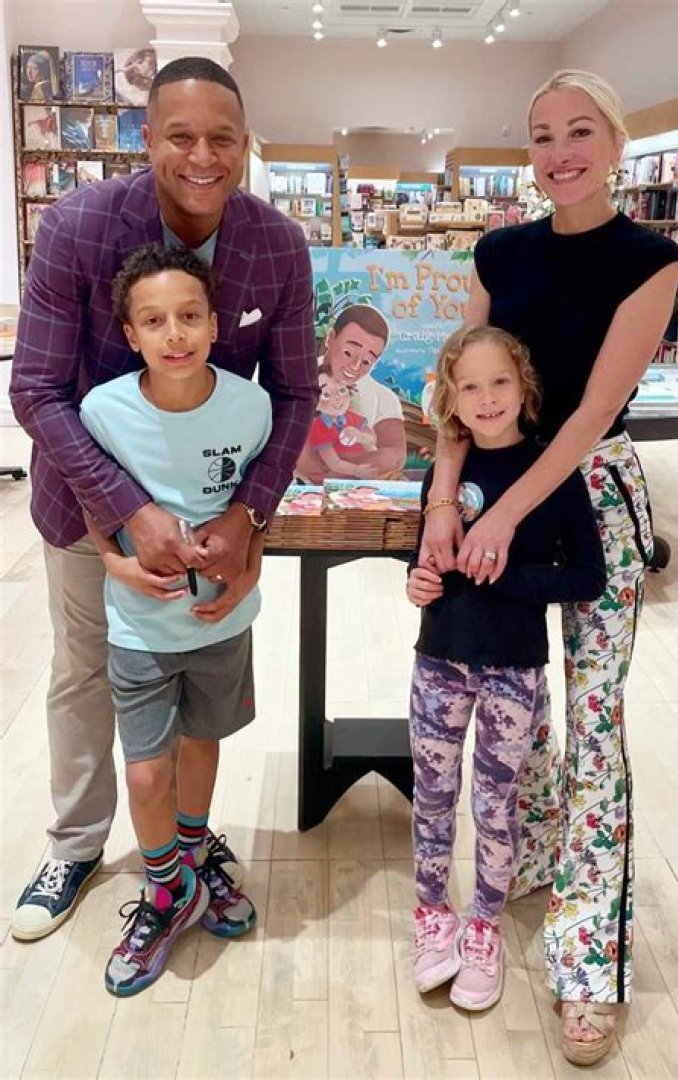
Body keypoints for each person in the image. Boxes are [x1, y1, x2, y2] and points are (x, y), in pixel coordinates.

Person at [10, 56, 318, 943]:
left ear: (246, 144)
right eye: (181, 136)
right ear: (147, 140)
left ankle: (186, 843)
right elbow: (36, 390)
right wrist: (125, 515)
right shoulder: (76, 226)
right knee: (86, 671)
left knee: (201, 678)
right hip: (84, 502)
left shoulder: (277, 244)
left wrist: (249, 516)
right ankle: (76, 844)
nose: (202, 157)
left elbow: (294, 392)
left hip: (215, 514)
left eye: (222, 138)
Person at [420, 70, 678, 1063]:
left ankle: (588, 963)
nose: (560, 152)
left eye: (579, 132)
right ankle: (531, 861)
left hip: (589, 498)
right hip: (496, 497)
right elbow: (461, 382)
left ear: (614, 143)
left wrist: (502, 513)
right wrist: (444, 500)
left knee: (596, 719)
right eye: (542, 135)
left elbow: (589, 415)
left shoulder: (649, 259)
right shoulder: (500, 251)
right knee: (511, 695)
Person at [80, 244, 268, 995]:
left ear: (216, 325)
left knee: (202, 741)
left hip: (222, 621)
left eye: (190, 316)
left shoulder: (250, 408)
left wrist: (250, 569)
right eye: (154, 321)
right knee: (146, 769)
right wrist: (115, 562)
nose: (175, 334)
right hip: (140, 629)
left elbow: (257, 508)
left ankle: (192, 854)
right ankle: (167, 892)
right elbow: (92, 502)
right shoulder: (104, 411)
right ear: (131, 335)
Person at [408, 323, 606, 1013]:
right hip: (437, 662)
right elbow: (423, 559)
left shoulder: (554, 473)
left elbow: (588, 575)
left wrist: (510, 577)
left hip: (513, 672)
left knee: (496, 805)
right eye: (470, 386)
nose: (487, 398)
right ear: (450, 399)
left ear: (525, 386)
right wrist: (419, 582)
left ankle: (484, 926)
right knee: (432, 796)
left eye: (499, 382)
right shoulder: (444, 476)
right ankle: (432, 914)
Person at [295, 304, 406, 481]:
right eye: (348, 353)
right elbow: (302, 458)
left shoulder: (383, 398)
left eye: (366, 362)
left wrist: (359, 439)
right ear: (330, 338)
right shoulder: (294, 380)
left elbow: (394, 456)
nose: (354, 367)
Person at [306, 366, 377, 479]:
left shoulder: (353, 417)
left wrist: (360, 436)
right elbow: (334, 463)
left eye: (342, 390)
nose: (337, 398)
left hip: (368, 463)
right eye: (326, 395)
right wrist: (356, 470)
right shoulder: (318, 427)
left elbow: (372, 440)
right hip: (346, 472)